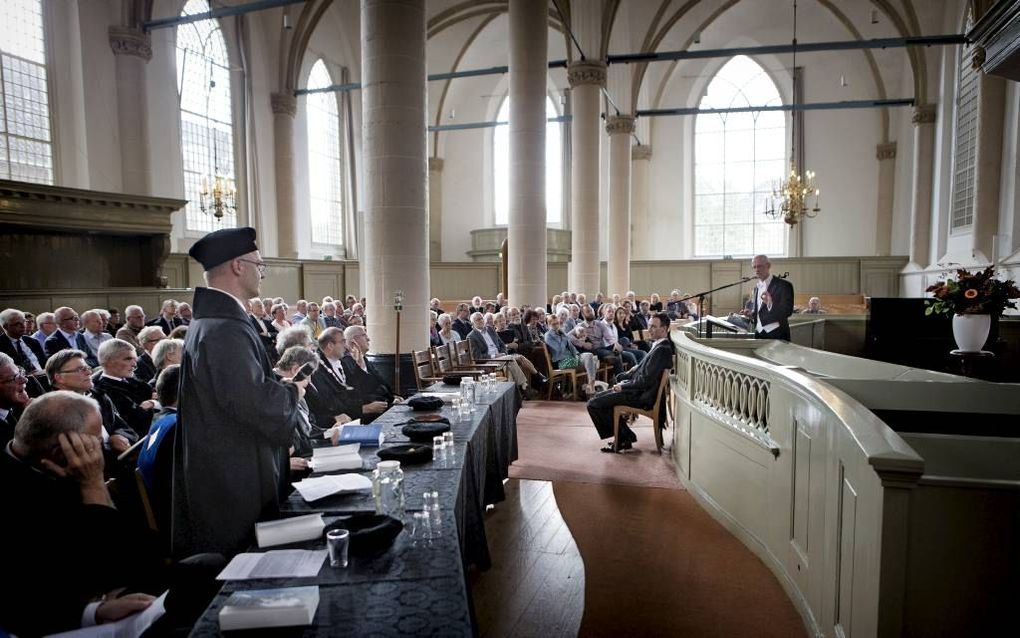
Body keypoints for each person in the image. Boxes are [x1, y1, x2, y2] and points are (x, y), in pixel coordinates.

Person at [172, 227, 306, 559]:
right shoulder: (225, 328)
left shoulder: (213, 322)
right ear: (237, 265)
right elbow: (251, 403)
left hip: (226, 462)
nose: (262, 272)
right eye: (258, 264)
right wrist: (293, 392)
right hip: (233, 475)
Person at [586, 312, 675, 453]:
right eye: (649, 326)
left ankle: (623, 437)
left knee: (593, 404)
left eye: (653, 327)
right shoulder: (659, 345)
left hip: (641, 396)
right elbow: (647, 371)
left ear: (664, 329)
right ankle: (625, 436)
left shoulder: (662, 349)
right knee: (598, 398)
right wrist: (636, 368)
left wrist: (623, 387)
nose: (649, 330)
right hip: (639, 391)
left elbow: (644, 381)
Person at [751, 254, 794, 340]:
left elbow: (788, 311)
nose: (757, 270)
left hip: (778, 334)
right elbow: (760, 311)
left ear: (768, 266)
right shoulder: (756, 288)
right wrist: (751, 314)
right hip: (759, 333)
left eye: (759, 266)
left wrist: (770, 304)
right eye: (754, 267)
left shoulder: (784, 285)